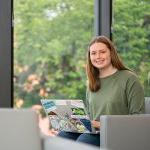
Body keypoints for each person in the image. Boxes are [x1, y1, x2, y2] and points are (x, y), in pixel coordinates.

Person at [58, 35, 145, 147]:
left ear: (111, 53)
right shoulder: (91, 81)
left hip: (118, 133)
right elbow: (90, 115)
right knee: (63, 136)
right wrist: (72, 124)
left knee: (83, 141)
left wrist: (100, 124)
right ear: (90, 57)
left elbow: (138, 118)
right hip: (95, 132)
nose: (98, 56)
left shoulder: (129, 78)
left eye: (102, 52)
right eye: (93, 53)